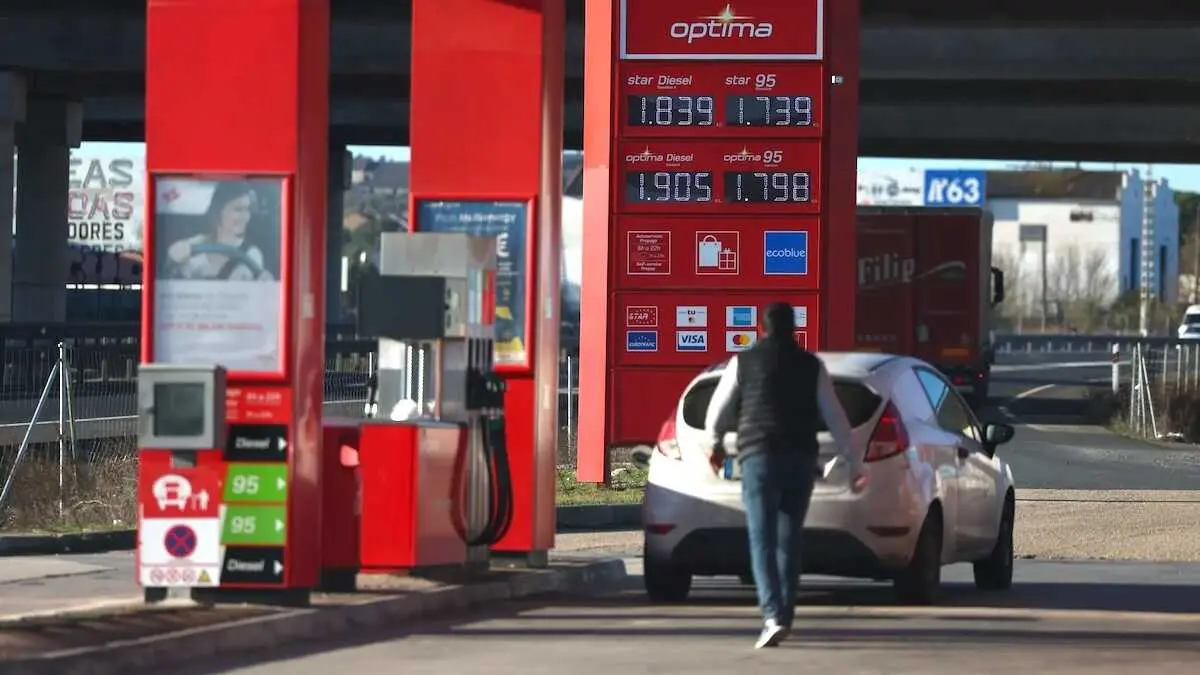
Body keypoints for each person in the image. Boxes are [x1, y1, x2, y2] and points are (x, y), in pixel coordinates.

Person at [704, 301, 861, 649]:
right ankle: (784, 616)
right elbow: (836, 418)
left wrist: (714, 445)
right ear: (794, 330)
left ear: (761, 329)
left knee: (761, 538)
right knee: (789, 539)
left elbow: (717, 411)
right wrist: (855, 463)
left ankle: (772, 616)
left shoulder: (742, 362)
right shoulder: (812, 366)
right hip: (801, 459)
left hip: (759, 457)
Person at [165, 181, 275, 281]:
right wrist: (173, 259)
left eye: (247, 210)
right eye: (238, 209)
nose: (245, 217)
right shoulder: (191, 246)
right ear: (218, 211)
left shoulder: (252, 253)